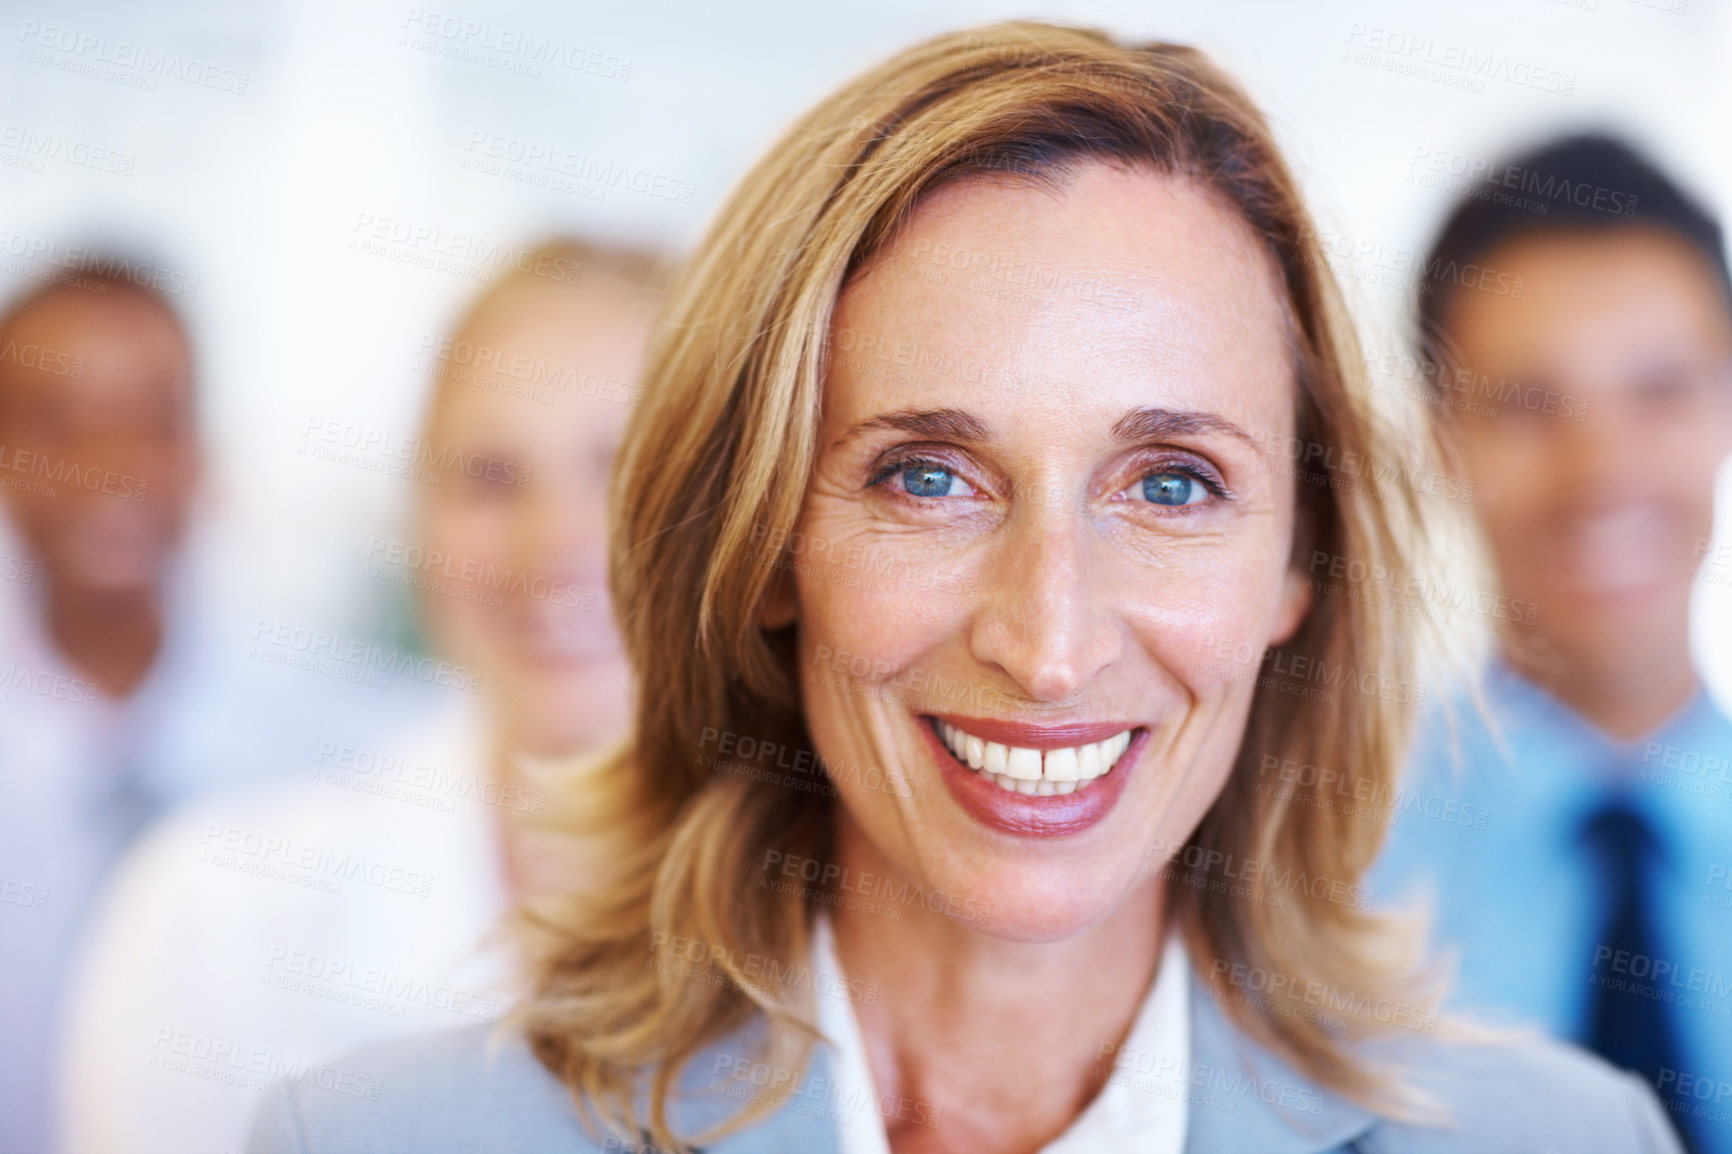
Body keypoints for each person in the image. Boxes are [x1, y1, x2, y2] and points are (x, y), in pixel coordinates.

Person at [249, 24, 1683, 1154]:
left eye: (1171, 483)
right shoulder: (372, 1139)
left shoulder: (1568, 1138)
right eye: (929, 475)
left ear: (1298, 561)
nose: (1048, 643)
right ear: (760, 546)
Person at [57, 240, 659, 1154]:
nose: (555, 543)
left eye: (621, 467)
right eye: (490, 477)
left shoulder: (855, 909)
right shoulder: (213, 909)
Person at [1373, 135, 1732, 1153]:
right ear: (1438, 439)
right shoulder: (1315, 867)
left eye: (1658, 389)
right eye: (1529, 405)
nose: (1601, 471)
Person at [0, 265, 406, 1154]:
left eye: (152, 422)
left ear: (202, 452)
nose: (110, 465)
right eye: (57, 425)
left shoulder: (338, 747)